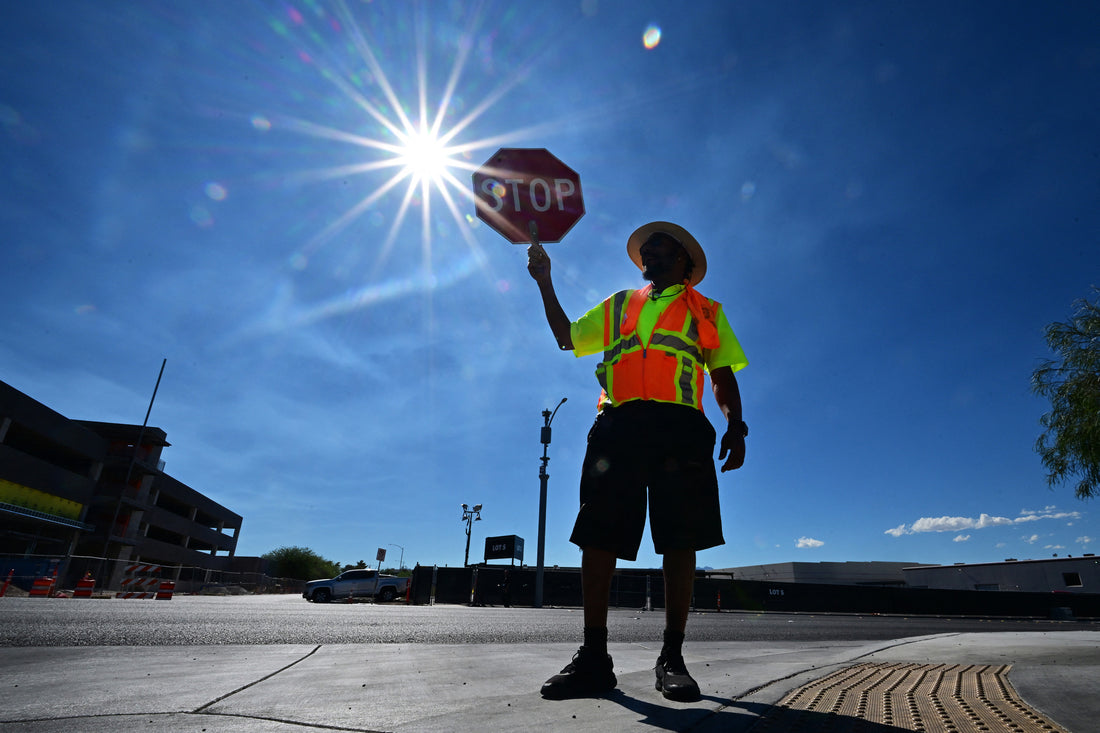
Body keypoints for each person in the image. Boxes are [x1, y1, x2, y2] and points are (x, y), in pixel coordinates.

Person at [528, 221, 748, 702]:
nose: (647, 251)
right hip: (619, 426)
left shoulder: (706, 311)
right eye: (645, 248)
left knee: (681, 539)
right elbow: (568, 337)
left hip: (681, 429)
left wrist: (735, 423)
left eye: (659, 246)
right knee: (599, 535)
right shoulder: (622, 304)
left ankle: (672, 657)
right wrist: (545, 280)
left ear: (686, 262)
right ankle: (593, 658)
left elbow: (721, 373)